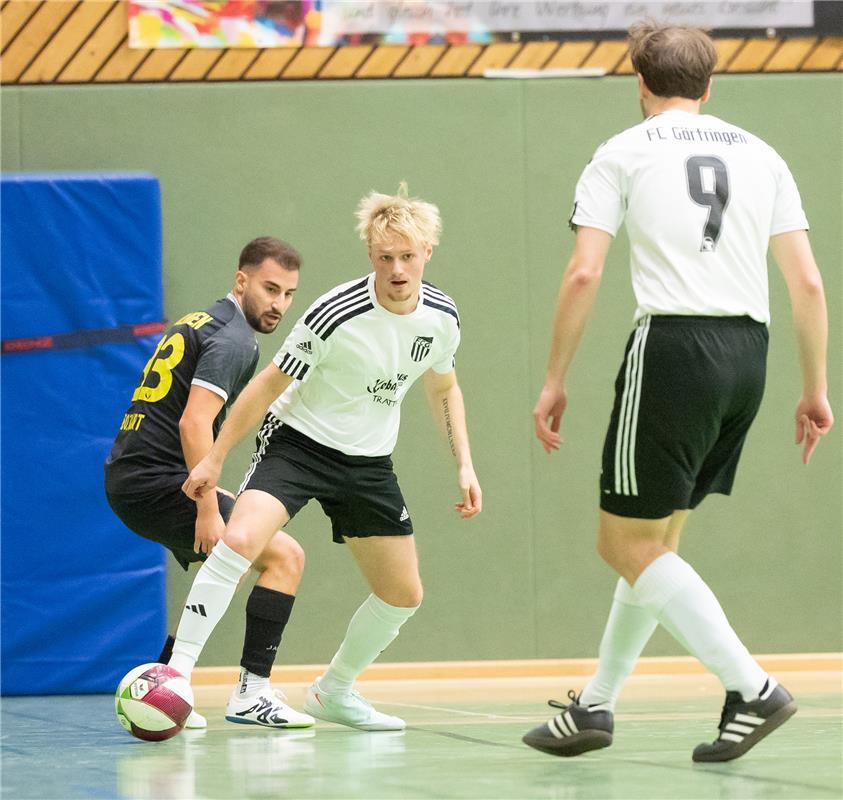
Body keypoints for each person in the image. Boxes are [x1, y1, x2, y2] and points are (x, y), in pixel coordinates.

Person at [523, 22, 833, 762]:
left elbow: (584, 271)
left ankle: (753, 687)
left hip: (674, 349)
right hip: (749, 354)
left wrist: (555, 378)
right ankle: (596, 705)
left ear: (639, 82)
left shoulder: (621, 152)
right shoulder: (761, 154)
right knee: (655, 542)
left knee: (623, 542)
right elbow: (808, 283)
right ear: (709, 85)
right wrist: (815, 389)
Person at [168, 184, 482, 731]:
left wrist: (464, 464)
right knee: (240, 540)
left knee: (403, 594)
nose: (397, 269)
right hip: (297, 444)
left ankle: (333, 690)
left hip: (368, 462)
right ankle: (176, 675)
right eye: (385, 257)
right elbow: (268, 385)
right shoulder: (336, 312)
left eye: (408, 256)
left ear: (428, 252)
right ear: (371, 256)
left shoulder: (442, 317)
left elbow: (443, 387)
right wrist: (215, 458)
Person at [105, 237, 314, 729]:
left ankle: (165, 684)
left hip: (132, 476)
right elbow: (193, 423)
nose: (279, 304)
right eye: (269, 289)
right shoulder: (236, 339)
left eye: (288, 294)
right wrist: (206, 508)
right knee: (284, 556)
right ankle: (250, 694)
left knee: (233, 560)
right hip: (157, 481)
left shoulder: (200, 321)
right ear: (241, 281)